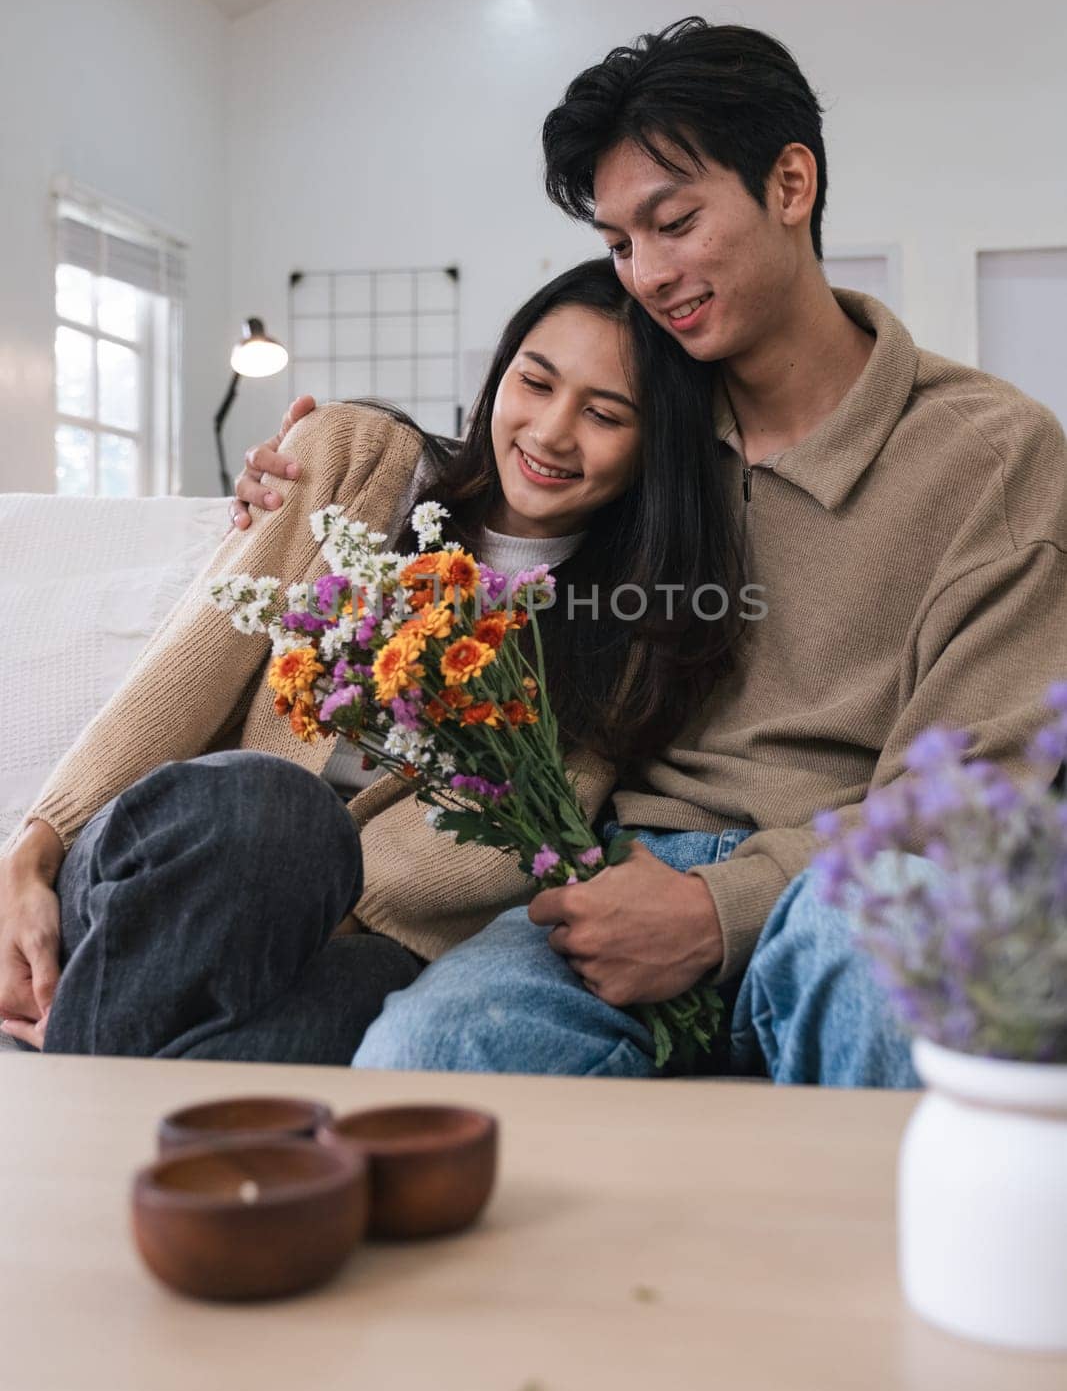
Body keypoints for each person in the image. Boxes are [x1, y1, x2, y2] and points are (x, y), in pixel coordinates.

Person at [234, 19, 1067, 1085]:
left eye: (673, 223)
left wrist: (719, 907)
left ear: (790, 183)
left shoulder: (991, 454)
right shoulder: (636, 426)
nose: (648, 274)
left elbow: (973, 795)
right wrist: (312, 469)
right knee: (425, 1053)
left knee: (882, 980)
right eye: (621, 244)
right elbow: (487, 483)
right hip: (615, 871)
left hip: (848, 880)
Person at [0, 259, 743, 1062]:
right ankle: (86, 1070)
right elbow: (193, 664)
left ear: (652, 449)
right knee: (277, 808)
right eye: (535, 383)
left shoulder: (633, 624)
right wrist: (32, 856)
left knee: (312, 1040)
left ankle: (81, 1064)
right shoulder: (359, 459)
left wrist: (297, 929)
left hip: (361, 935)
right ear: (499, 377)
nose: (552, 431)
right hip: (180, 874)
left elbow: (501, 841)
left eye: (603, 414)